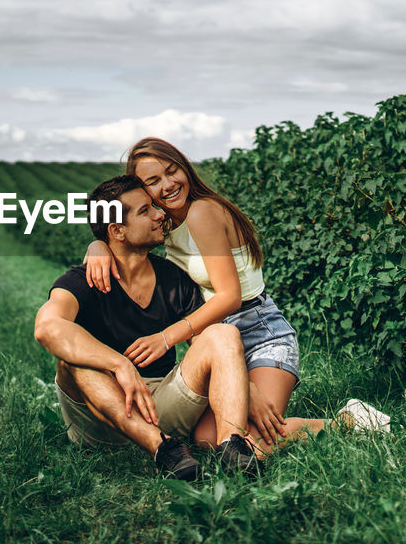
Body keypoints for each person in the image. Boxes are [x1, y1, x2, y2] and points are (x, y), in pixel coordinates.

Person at [83, 137, 389, 457]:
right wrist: (99, 245)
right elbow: (128, 239)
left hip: (258, 332)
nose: (168, 184)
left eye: (172, 171)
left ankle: (350, 422)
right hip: (215, 344)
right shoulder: (166, 226)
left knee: (251, 443)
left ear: (185, 168)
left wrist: (166, 337)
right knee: (209, 440)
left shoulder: (202, 212)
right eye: (153, 181)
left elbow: (228, 297)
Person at [34, 174, 261, 480]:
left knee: (223, 333)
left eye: (154, 207)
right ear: (117, 230)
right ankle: (161, 448)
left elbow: (210, 347)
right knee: (71, 359)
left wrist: (247, 389)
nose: (159, 214)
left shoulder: (173, 278)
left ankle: (232, 447)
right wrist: (119, 364)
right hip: (100, 419)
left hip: (162, 405)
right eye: (145, 211)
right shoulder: (81, 280)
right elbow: (47, 327)